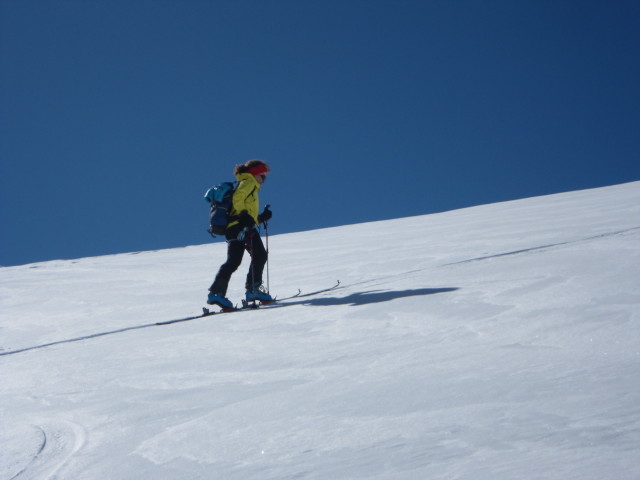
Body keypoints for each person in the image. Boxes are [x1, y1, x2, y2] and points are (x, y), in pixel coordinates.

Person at [207, 159, 273, 309]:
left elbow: (245, 212)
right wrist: (244, 216)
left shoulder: (246, 183)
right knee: (260, 255)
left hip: (233, 228)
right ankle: (253, 289)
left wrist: (260, 217)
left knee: (233, 262)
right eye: (263, 175)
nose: (264, 178)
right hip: (242, 227)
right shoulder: (248, 182)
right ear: (255, 173)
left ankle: (216, 294)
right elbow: (238, 200)